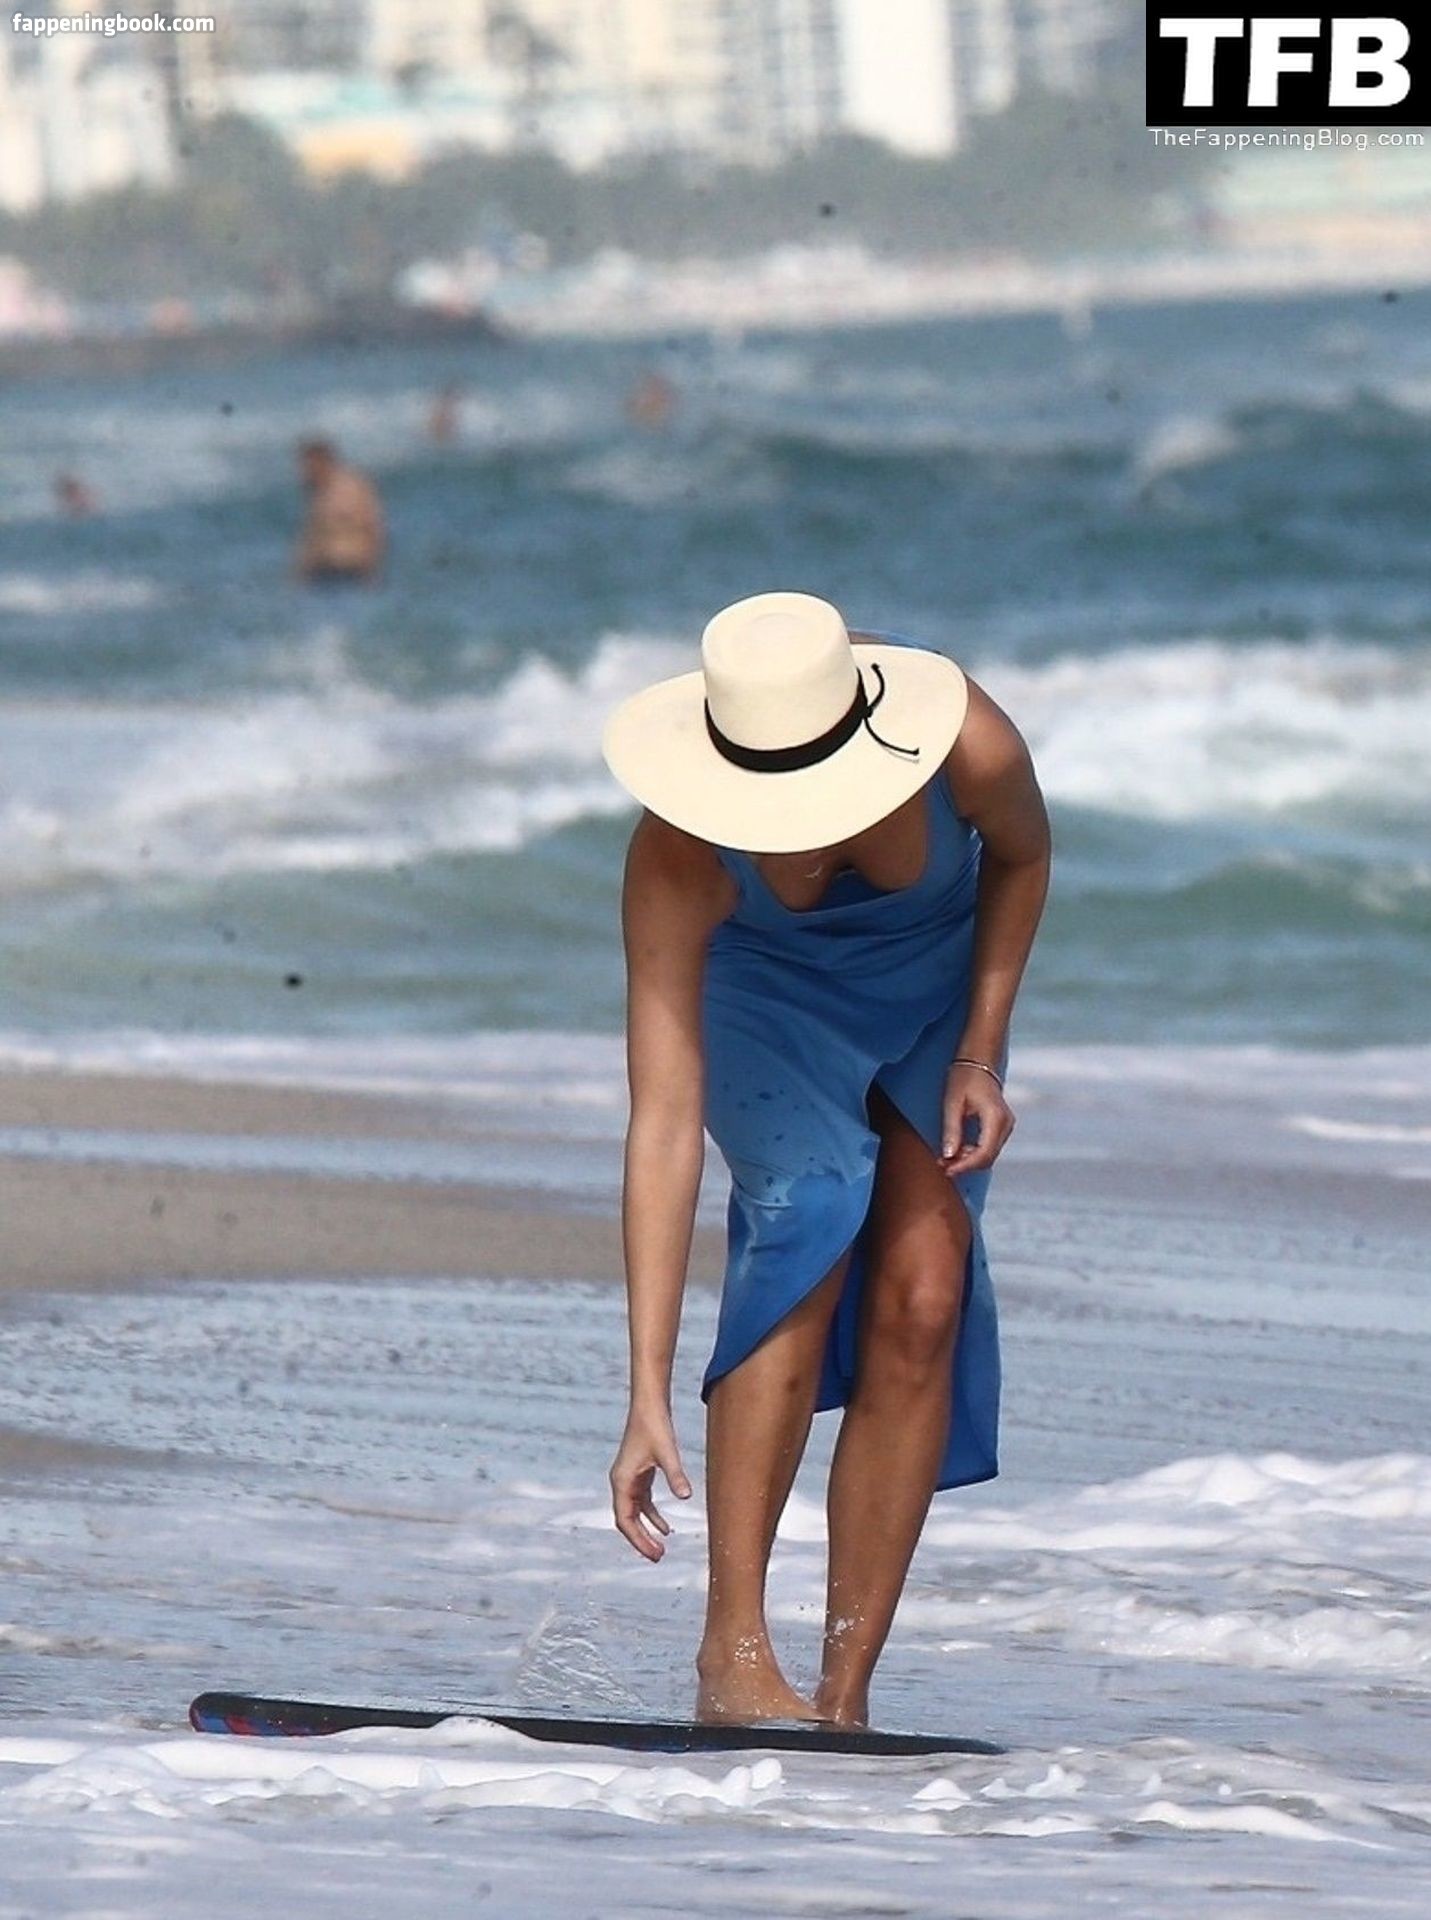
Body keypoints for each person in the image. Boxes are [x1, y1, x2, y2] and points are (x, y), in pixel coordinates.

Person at [600, 591, 1051, 1729]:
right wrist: (646, 1390)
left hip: (936, 987)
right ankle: (734, 1656)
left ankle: (845, 1691)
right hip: (766, 997)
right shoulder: (678, 853)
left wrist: (982, 1051)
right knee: (808, 1214)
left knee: (924, 1297)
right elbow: (663, 1124)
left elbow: (1023, 857)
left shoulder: (966, 742)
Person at [293, 438, 386, 585]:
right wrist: (298, 576)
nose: (304, 472)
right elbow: (312, 537)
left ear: (323, 462)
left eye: (309, 466)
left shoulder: (353, 488)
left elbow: (374, 528)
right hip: (323, 573)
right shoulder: (318, 494)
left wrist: (372, 571)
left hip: (353, 570)